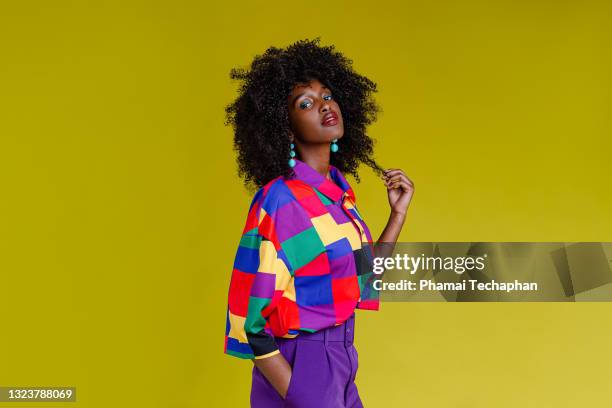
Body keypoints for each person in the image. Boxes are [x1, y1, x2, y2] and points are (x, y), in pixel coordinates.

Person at [223, 38, 414, 407]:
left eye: (327, 95)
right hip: (302, 362)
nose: (324, 106)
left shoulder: (338, 197)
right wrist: (302, 393)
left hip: (341, 360)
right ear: (286, 129)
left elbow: (365, 277)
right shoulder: (280, 200)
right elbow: (250, 320)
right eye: (305, 103)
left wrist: (398, 215)